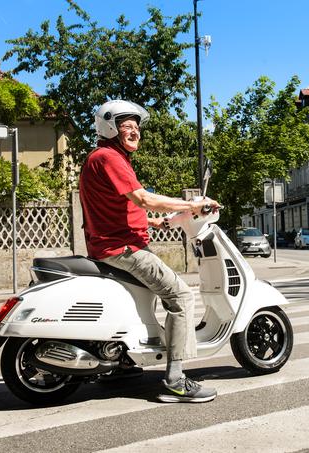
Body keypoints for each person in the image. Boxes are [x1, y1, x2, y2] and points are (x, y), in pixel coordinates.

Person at [79, 100, 220, 403]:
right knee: (181, 296)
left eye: (136, 126)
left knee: (143, 298)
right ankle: (176, 379)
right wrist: (192, 204)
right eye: (126, 125)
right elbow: (143, 198)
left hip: (112, 242)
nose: (134, 132)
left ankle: (123, 363)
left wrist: (156, 222)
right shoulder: (109, 157)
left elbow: (122, 207)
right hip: (122, 247)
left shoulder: (108, 158)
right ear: (109, 128)